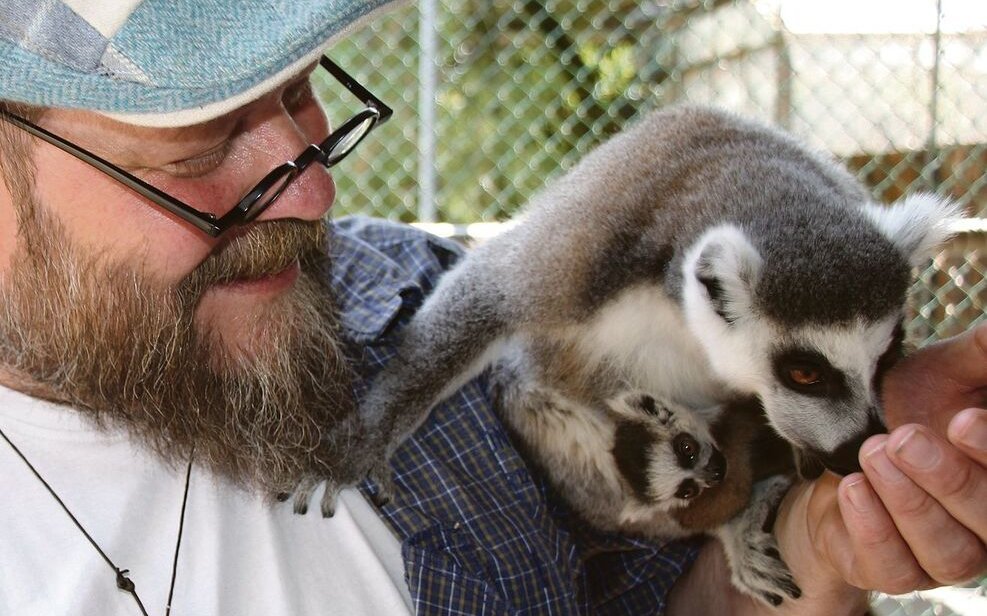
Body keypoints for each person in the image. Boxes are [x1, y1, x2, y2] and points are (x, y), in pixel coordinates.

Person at [0, 1, 982, 614]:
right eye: (198, 148)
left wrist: (824, 533)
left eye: (302, 94)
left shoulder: (403, 311)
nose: (313, 195)